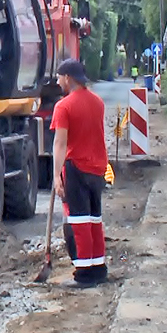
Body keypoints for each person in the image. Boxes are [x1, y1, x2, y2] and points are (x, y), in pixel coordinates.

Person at [51, 58, 109, 288]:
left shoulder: (63, 106)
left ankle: (84, 273)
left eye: (58, 77)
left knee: (79, 221)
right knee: (95, 219)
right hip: (98, 168)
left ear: (68, 78)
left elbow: (60, 143)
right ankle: (98, 268)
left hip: (76, 168)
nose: (57, 82)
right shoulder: (98, 102)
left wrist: (56, 175)